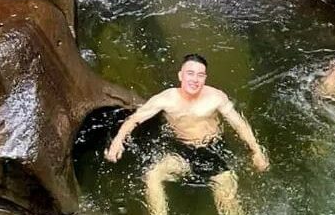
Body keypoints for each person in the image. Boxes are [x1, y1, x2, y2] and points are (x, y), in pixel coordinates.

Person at [104, 54, 270, 215]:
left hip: (214, 150)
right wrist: (117, 142)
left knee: (228, 203)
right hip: (181, 150)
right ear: (180, 76)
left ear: (205, 78)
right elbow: (135, 119)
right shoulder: (166, 99)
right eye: (190, 73)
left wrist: (256, 151)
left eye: (200, 75)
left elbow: (238, 123)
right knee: (152, 176)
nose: (195, 79)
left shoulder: (215, 97)